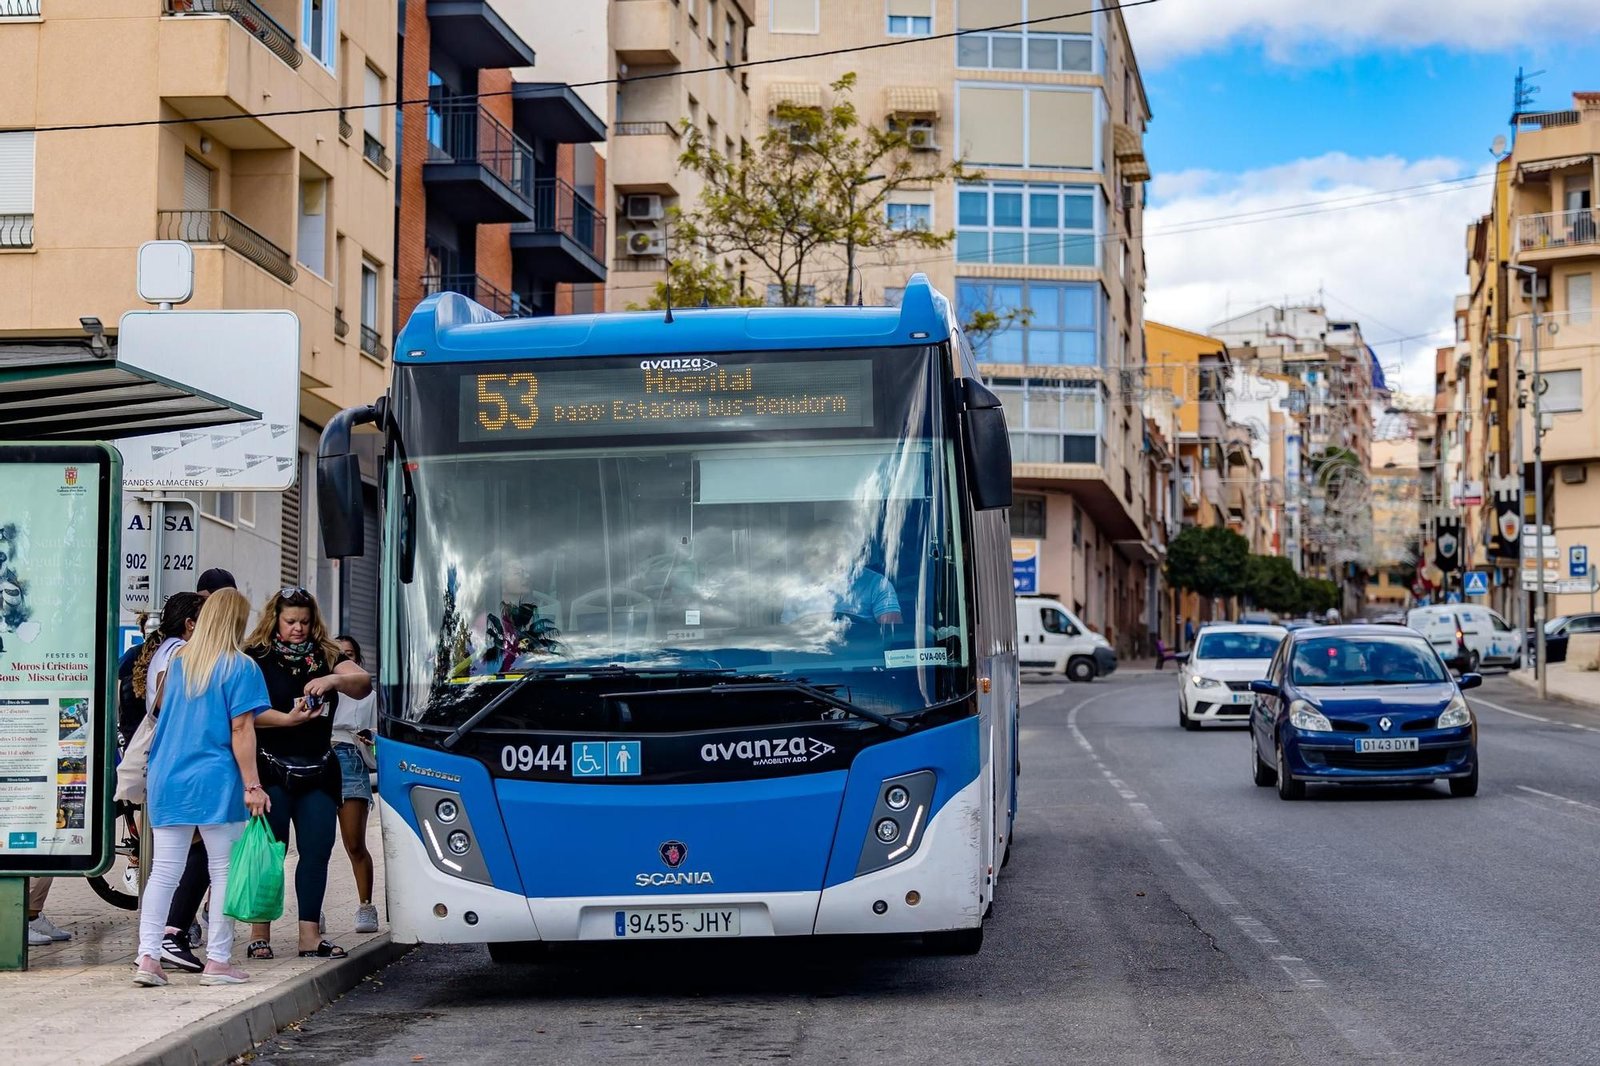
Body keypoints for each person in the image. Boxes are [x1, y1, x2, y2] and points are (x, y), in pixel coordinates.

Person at [133, 588, 272, 987]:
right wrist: (253, 785)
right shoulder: (241, 667)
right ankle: (218, 961)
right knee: (223, 869)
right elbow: (242, 728)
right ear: (236, 623)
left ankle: (148, 957)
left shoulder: (176, 663)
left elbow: (160, 713)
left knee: (164, 871)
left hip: (167, 775)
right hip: (215, 778)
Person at [243, 587, 372, 960]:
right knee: (269, 853)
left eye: (304, 621)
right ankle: (259, 933)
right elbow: (244, 714)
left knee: (317, 851)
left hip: (318, 767)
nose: (298, 628)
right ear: (275, 620)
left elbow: (362, 683)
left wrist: (331, 680)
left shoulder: (327, 654)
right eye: (290, 621)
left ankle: (309, 936)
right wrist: (288, 719)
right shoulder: (257, 657)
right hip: (272, 767)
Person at [332, 635, 379, 934]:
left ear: (358, 662)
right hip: (319, 756)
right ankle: (312, 913)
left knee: (354, 842)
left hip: (350, 758)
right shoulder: (317, 684)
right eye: (337, 656)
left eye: (349, 655)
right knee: (316, 847)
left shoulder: (368, 694)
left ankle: (366, 906)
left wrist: (370, 740)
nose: (343, 660)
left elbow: (377, 742)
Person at [780, 520, 902, 627]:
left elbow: (891, 636)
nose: (826, 554)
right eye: (816, 550)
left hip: (863, 653)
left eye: (833, 547)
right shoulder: (795, 590)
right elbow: (786, 640)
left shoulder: (878, 585)